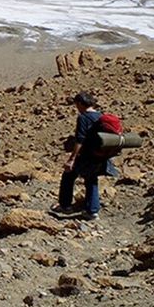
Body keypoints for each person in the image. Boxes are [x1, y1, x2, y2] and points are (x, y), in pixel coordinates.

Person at [54, 92, 116, 221]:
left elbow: (80, 140)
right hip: (100, 155)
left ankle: (66, 206)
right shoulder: (101, 116)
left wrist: (72, 159)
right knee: (91, 180)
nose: (76, 107)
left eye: (77, 104)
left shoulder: (84, 117)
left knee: (68, 175)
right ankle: (92, 211)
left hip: (87, 156)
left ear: (81, 103)